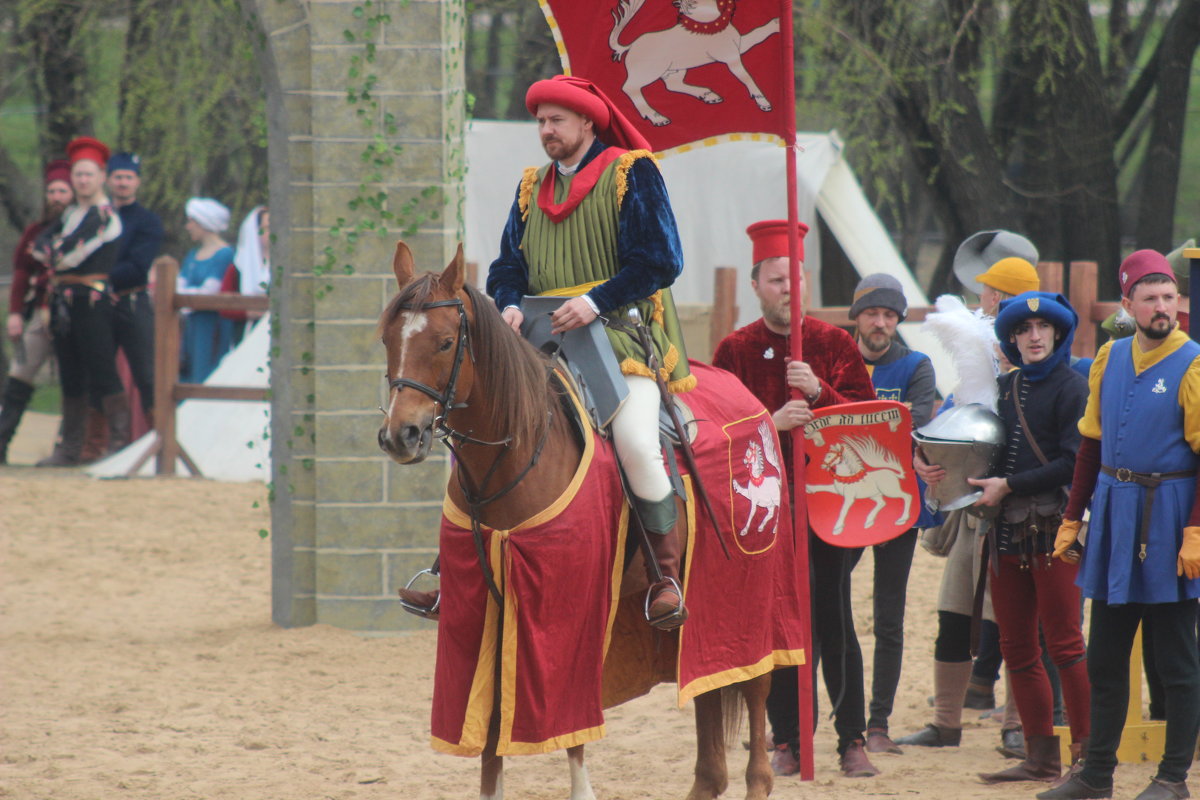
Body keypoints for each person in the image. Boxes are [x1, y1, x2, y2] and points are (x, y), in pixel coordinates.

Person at [486, 75, 693, 629]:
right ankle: (452, 566)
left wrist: (595, 301)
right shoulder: (531, 186)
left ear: (586, 123)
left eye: (556, 120)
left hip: (621, 335)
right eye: (540, 122)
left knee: (637, 444)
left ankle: (664, 577)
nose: (545, 131)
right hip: (539, 337)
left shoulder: (633, 173)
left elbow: (660, 261)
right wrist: (506, 303)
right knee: (482, 421)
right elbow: (507, 265)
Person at [712, 220, 878, 778]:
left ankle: (852, 737)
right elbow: (717, 435)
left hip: (830, 507)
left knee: (834, 620)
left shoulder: (835, 345)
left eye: (795, 279)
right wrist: (771, 423)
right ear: (757, 284)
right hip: (766, 511)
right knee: (780, 626)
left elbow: (867, 426)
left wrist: (818, 391)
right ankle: (786, 739)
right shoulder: (734, 351)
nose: (788, 289)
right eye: (776, 279)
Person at [1042, 250, 1200, 800]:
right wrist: (1071, 517)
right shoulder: (1108, 357)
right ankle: (1096, 775)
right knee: (1105, 652)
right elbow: (1090, 444)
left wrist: (1196, 530)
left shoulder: (1195, 364)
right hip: (1113, 512)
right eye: (1150, 298)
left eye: (1169, 297)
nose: (1163, 308)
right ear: (1128, 304)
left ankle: (1173, 778)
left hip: (1170, 514)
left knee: (1175, 656)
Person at [919, 291, 1092, 784]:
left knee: (1065, 644)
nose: (1034, 337)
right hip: (1006, 533)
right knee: (1017, 646)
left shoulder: (1072, 388)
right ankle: (1040, 757)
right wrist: (936, 467)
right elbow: (974, 445)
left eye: (1043, 329)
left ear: (1057, 335)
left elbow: (1072, 461)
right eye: (1023, 330)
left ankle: (1086, 758)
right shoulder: (1006, 386)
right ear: (1013, 338)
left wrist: (1009, 486)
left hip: (1056, 533)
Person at [898, 246, 1040, 754]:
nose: (980, 298)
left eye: (988, 292)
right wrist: (927, 459)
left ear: (1000, 299)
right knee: (954, 616)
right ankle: (946, 722)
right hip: (976, 516)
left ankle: (1020, 727)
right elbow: (953, 428)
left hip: (1026, 516)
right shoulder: (983, 363)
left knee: (1021, 625)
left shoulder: (1045, 376)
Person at [846, 274, 937, 755]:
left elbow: (918, 421)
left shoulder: (916, 366)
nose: (880, 323)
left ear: (897, 320)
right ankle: (838, 721)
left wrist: (860, 426)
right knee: (832, 612)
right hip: (841, 505)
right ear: (856, 316)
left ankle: (878, 721)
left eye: (889, 315)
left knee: (889, 617)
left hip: (896, 501)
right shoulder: (835, 360)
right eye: (872, 313)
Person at [32, 137, 127, 467]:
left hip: (91, 302)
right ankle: (70, 447)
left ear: (101, 176)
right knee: (70, 374)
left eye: (88, 174)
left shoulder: (103, 217)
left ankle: (116, 443)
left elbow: (65, 256)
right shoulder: (71, 214)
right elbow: (37, 245)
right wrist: (51, 251)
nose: (82, 181)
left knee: (102, 370)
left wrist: (53, 252)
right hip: (64, 302)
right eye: (78, 175)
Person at [0, 159, 74, 463]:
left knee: (74, 380)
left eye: (63, 191)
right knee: (20, 375)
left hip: (73, 314)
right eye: (52, 191)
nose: (57, 197)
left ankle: (68, 446)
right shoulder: (35, 232)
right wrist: (16, 313)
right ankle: (2, 441)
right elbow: (20, 274)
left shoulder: (81, 229)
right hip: (42, 314)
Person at [107, 151, 164, 426]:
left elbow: (138, 266)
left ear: (137, 182)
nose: (123, 183)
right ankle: (104, 440)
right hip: (99, 303)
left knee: (146, 372)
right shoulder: (99, 217)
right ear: (109, 180)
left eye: (128, 177)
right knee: (100, 371)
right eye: (118, 177)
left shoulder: (148, 221)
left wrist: (100, 281)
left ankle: (159, 435)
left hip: (133, 301)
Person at [178, 197, 235, 384]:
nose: (188, 226)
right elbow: (178, 288)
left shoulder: (225, 254)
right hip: (191, 325)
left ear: (204, 223)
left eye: (192, 221)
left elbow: (210, 291)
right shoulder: (192, 255)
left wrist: (188, 299)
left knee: (207, 372)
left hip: (212, 326)